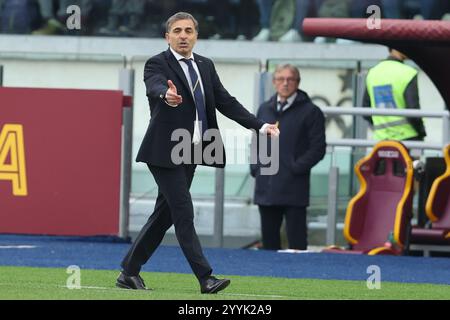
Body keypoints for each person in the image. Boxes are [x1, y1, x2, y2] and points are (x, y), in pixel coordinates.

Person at [116, 12, 280, 294]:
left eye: (188, 31)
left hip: (192, 150)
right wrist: (165, 95)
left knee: (164, 215)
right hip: (164, 151)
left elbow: (225, 102)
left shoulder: (205, 65)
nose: (183, 36)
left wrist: (260, 125)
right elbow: (154, 85)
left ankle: (129, 271)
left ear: (196, 36)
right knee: (183, 212)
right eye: (177, 31)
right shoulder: (158, 63)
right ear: (167, 36)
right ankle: (206, 278)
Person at [250, 64, 326, 250]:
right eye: (281, 79)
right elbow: (256, 141)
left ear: (297, 83)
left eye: (290, 79)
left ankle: (299, 278)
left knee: (297, 245)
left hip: (294, 187)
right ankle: (267, 278)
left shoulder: (311, 112)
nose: (285, 83)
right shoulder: (264, 109)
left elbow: (318, 148)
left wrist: (295, 167)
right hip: (266, 186)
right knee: (269, 246)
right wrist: (256, 168)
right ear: (274, 82)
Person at [363, 48, 427, 141]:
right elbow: (413, 112)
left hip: (381, 140)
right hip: (408, 138)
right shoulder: (408, 73)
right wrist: (421, 132)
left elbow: (366, 110)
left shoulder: (373, 72)